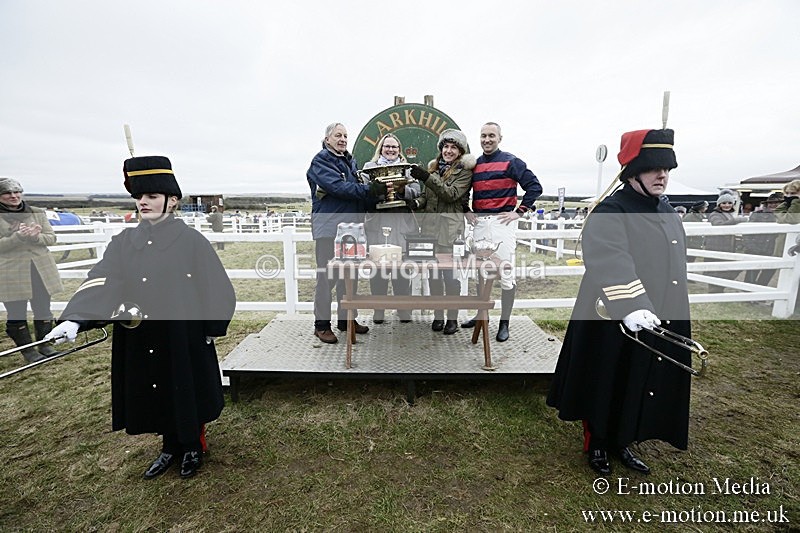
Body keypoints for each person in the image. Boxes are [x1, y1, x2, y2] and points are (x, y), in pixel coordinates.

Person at [46, 156, 236, 480]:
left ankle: (191, 445)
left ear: (172, 200)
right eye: (139, 196)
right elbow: (103, 279)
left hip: (182, 334)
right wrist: (76, 319)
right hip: (142, 335)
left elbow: (217, 287)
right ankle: (168, 447)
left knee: (183, 388)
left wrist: (211, 328)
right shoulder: (125, 242)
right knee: (155, 388)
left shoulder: (192, 242)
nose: (143, 202)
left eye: (151, 196)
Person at [547, 128, 692, 476]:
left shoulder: (667, 210)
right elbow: (609, 257)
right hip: (612, 312)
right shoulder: (611, 209)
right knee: (606, 375)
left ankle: (622, 439)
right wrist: (633, 306)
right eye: (654, 168)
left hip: (656, 313)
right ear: (632, 172)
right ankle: (596, 441)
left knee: (637, 376)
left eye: (667, 169)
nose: (662, 175)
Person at [461, 122, 543, 342]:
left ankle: (504, 323)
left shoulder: (511, 161)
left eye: (491, 136)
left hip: (502, 224)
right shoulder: (474, 164)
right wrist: (466, 210)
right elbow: (461, 191)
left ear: (499, 138)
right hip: (479, 224)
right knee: (480, 272)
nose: (487, 139)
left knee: (506, 274)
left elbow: (534, 187)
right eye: (483, 136)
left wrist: (519, 212)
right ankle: (480, 316)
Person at [307, 123, 377, 344]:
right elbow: (339, 188)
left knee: (350, 276)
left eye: (346, 135)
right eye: (338, 135)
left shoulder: (350, 162)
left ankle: (347, 319)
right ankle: (321, 325)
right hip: (329, 229)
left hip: (352, 230)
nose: (343, 139)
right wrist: (369, 191)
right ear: (327, 139)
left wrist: (373, 194)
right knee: (327, 278)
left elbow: (353, 189)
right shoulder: (321, 161)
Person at [409, 129, 475, 335]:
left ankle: (452, 318)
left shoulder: (464, 172)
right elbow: (426, 196)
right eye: (445, 147)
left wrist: (427, 177)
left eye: (453, 147)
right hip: (430, 231)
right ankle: (438, 315)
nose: (448, 151)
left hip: (450, 232)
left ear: (460, 151)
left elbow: (450, 194)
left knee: (449, 276)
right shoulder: (434, 169)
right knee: (434, 275)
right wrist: (415, 202)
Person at [0, 177, 64, 363]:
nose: (13, 196)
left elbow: (51, 238)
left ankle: (45, 344)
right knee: (16, 312)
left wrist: (36, 238)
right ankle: (28, 351)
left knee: (43, 308)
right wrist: (18, 237)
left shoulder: (37, 213)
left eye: (16, 191)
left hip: (40, 269)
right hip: (11, 272)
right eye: (7, 193)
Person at [362, 133, 421, 323]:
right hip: (378, 225)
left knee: (402, 269)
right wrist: (379, 192)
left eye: (394, 147)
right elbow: (364, 192)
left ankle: (403, 309)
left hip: (401, 225)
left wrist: (402, 190)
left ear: (399, 150)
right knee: (378, 270)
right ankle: (378, 310)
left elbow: (417, 191)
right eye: (387, 146)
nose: (390, 150)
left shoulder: (408, 171)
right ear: (380, 148)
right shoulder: (369, 169)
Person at [706, 191, 748, 292]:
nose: (727, 205)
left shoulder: (729, 215)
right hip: (716, 246)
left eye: (729, 203)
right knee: (717, 269)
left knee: (727, 268)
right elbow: (718, 226)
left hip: (727, 246)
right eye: (724, 203)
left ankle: (719, 287)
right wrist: (737, 221)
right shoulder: (715, 214)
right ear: (719, 204)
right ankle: (714, 289)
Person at [743, 192, 782, 286]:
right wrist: (751, 246)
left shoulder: (784, 216)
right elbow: (747, 233)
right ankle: (748, 294)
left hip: (774, 250)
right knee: (752, 273)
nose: (773, 205)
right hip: (756, 248)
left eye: (777, 203)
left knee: (768, 274)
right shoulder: (757, 215)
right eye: (771, 203)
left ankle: (759, 294)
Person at [773, 179, 800, 257]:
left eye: (793, 193)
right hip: (781, 243)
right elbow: (778, 216)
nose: (789, 196)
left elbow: (792, 219)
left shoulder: (795, 205)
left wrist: (796, 202)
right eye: (787, 193)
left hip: (795, 244)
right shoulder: (786, 206)